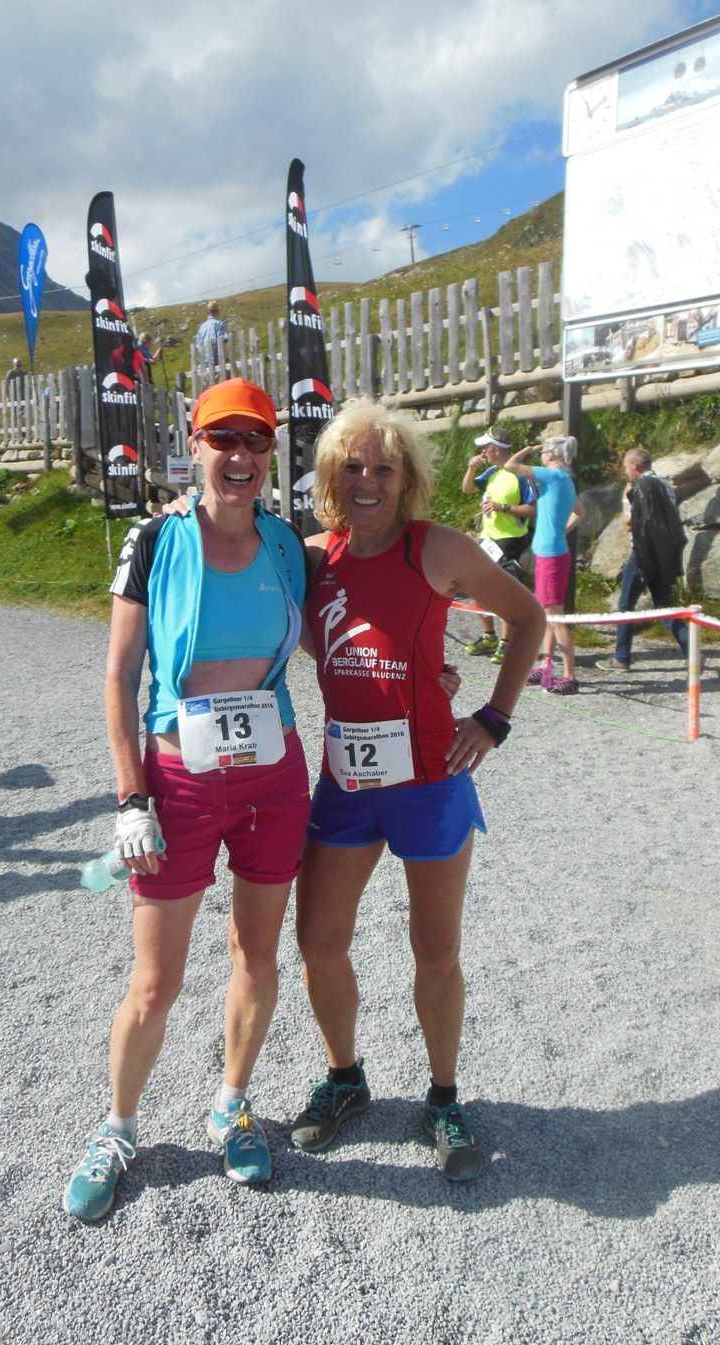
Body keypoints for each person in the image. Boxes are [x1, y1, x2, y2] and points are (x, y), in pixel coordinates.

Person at [63, 377, 310, 1221]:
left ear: (270, 451)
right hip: (178, 779)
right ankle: (117, 1128)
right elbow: (119, 674)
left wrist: (432, 673)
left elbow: (345, 624)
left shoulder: (287, 545)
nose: (239, 456)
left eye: (255, 440)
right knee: (154, 983)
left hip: (273, 776)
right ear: (194, 446)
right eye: (222, 439)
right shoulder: (156, 538)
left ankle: (232, 1103)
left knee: (256, 956)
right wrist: (130, 797)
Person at [290, 397, 545, 1181]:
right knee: (317, 942)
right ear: (330, 475)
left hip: (430, 781)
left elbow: (529, 618)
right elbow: (291, 614)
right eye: (351, 466)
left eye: (384, 467)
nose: (366, 480)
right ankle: (344, 1077)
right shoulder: (310, 557)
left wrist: (493, 718)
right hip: (346, 781)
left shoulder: (436, 547)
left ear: (407, 479)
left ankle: (442, 1097)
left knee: (435, 950)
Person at [502, 436, 585, 694]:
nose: (540, 455)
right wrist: (560, 530)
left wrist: (528, 448)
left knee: (555, 616)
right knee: (546, 613)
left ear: (550, 454)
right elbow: (580, 511)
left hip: (552, 556)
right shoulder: (563, 479)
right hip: (549, 552)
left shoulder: (553, 476)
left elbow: (510, 466)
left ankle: (570, 675)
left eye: (543, 451)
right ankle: (546, 664)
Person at [596, 447, 689, 674]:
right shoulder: (665, 485)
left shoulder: (637, 486)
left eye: (626, 467)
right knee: (664, 607)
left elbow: (631, 523)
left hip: (643, 553)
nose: (625, 471)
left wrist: (625, 503)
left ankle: (621, 658)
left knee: (626, 604)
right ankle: (692, 650)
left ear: (634, 465)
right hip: (663, 553)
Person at [461, 426, 536, 662]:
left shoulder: (521, 475)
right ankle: (489, 637)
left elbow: (532, 509)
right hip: (488, 539)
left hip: (511, 540)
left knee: (504, 592)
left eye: (486, 447)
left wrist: (503, 507)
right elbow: (467, 489)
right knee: (476, 586)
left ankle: (506, 642)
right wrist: (472, 469)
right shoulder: (492, 472)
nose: (483, 451)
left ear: (496, 449)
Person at [195, 301, 229, 369]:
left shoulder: (202, 327)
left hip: (205, 363)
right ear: (217, 312)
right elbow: (222, 340)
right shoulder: (219, 324)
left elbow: (198, 345)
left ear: (208, 312)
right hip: (217, 362)